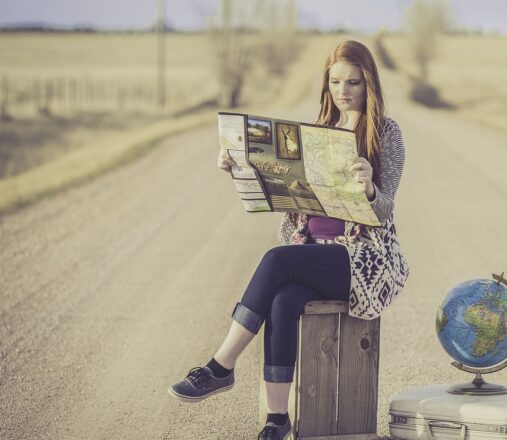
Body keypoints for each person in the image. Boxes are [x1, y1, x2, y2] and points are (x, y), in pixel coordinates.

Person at [168, 40, 409, 440]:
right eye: (335, 81)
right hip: (311, 250)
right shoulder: (316, 133)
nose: (343, 90)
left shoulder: (386, 133)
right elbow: (284, 191)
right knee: (282, 300)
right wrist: (240, 167)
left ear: (369, 84)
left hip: (364, 259)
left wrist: (369, 189)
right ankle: (278, 421)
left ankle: (221, 365)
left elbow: (383, 211)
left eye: (353, 81)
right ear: (326, 84)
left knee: (277, 261)